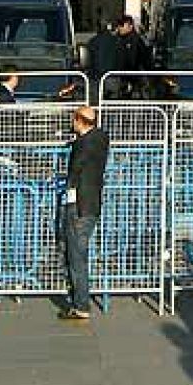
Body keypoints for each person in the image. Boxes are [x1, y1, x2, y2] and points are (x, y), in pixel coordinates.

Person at [58, 105, 110, 321]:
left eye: (74, 119)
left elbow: (75, 169)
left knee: (75, 256)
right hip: (92, 204)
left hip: (78, 205)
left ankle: (80, 304)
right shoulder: (101, 138)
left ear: (79, 120)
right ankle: (79, 301)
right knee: (78, 253)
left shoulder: (83, 144)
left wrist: (69, 181)